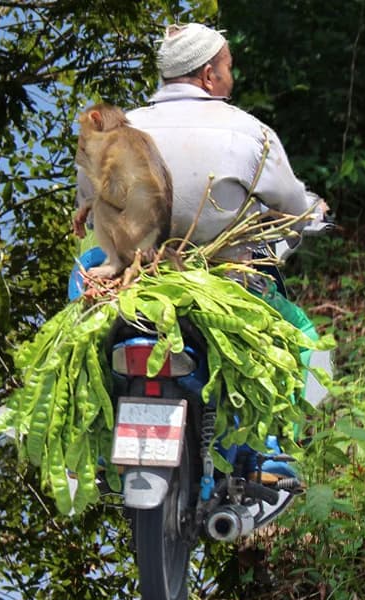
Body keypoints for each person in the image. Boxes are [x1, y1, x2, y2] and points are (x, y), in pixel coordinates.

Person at [72, 23, 327, 479]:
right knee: (304, 340)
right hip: (223, 279)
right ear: (209, 75)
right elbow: (292, 207)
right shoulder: (250, 134)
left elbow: (91, 210)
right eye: (228, 67)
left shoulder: (115, 132)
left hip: (135, 273)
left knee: (82, 293)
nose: (232, 75)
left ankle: (82, 434)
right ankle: (266, 452)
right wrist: (310, 214)